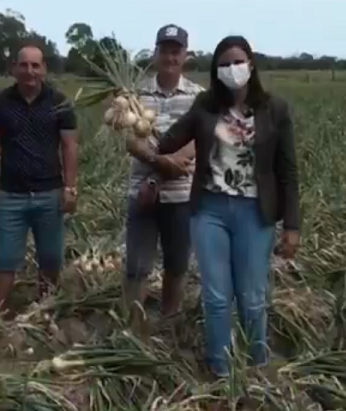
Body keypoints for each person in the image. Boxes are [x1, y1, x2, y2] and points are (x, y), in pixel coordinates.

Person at [153, 35, 300, 378]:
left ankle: (256, 367)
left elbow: (288, 171)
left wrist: (292, 225)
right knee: (216, 297)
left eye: (238, 62)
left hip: (254, 211)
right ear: (215, 70)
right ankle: (220, 371)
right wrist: (136, 119)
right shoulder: (206, 105)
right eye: (224, 64)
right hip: (210, 209)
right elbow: (169, 139)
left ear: (251, 65)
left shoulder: (273, 109)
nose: (232, 69)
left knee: (251, 297)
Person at [0, 43, 79, 308]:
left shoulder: (59, 103)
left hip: (50, 193)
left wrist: (70, 188)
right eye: (23, 65)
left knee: (51, 258)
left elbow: (69, 146)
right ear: (14, 68)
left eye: (35, 65)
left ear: (44, 69)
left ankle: (44, 309)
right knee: (5, 258)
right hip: (12, 194)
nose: (29, 71)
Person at [122, 24, 204, 325]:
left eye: (176, 51)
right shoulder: (134, 94)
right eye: (164, 50)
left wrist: (163, 170)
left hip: (182, 194)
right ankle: (133, 326)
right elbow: (132, 139)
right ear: (155, 53)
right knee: (137, 265)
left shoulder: (199, 97)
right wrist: (159, 162)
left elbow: (198, 141)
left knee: (177, 264)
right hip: (141, 193)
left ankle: (169, 320)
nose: (170, 56)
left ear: (185, 55)